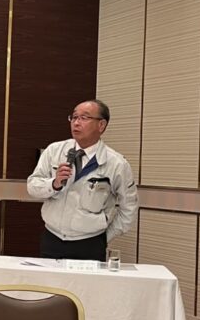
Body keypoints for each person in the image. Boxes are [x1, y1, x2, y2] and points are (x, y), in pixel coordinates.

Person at [27, 100, 138, 261]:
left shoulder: (116, 163)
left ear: (101, 125)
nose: (76, 123)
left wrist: (104, 237)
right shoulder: (54, 151)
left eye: (84, 118)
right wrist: (54, 184)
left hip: (90, 244)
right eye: (74, 117)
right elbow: (32, 186)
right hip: (52, 239)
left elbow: (129, 208)